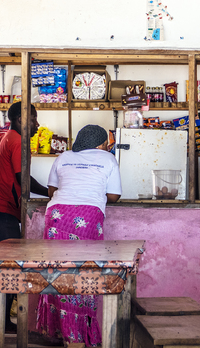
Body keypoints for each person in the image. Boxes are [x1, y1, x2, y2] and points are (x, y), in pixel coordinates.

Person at [36, 124, 122, 347]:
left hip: (56, 215)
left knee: (56, 271)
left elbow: (51, 191)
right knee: (85, 273)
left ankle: (58, 331)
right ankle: (78, 336)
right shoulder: (108, 159)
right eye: (106, 143)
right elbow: (113, 196)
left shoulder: (64, 156)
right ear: (102, 144)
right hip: (87, 217)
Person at [0, 101, 48, 332]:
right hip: (1, 212)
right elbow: (23, 180)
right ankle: (2, 327)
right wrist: (52, 192)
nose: (37, 124)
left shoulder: (1, 140)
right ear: (20, 119)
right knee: (9, 269)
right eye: (33, 118)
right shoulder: (18, 141)